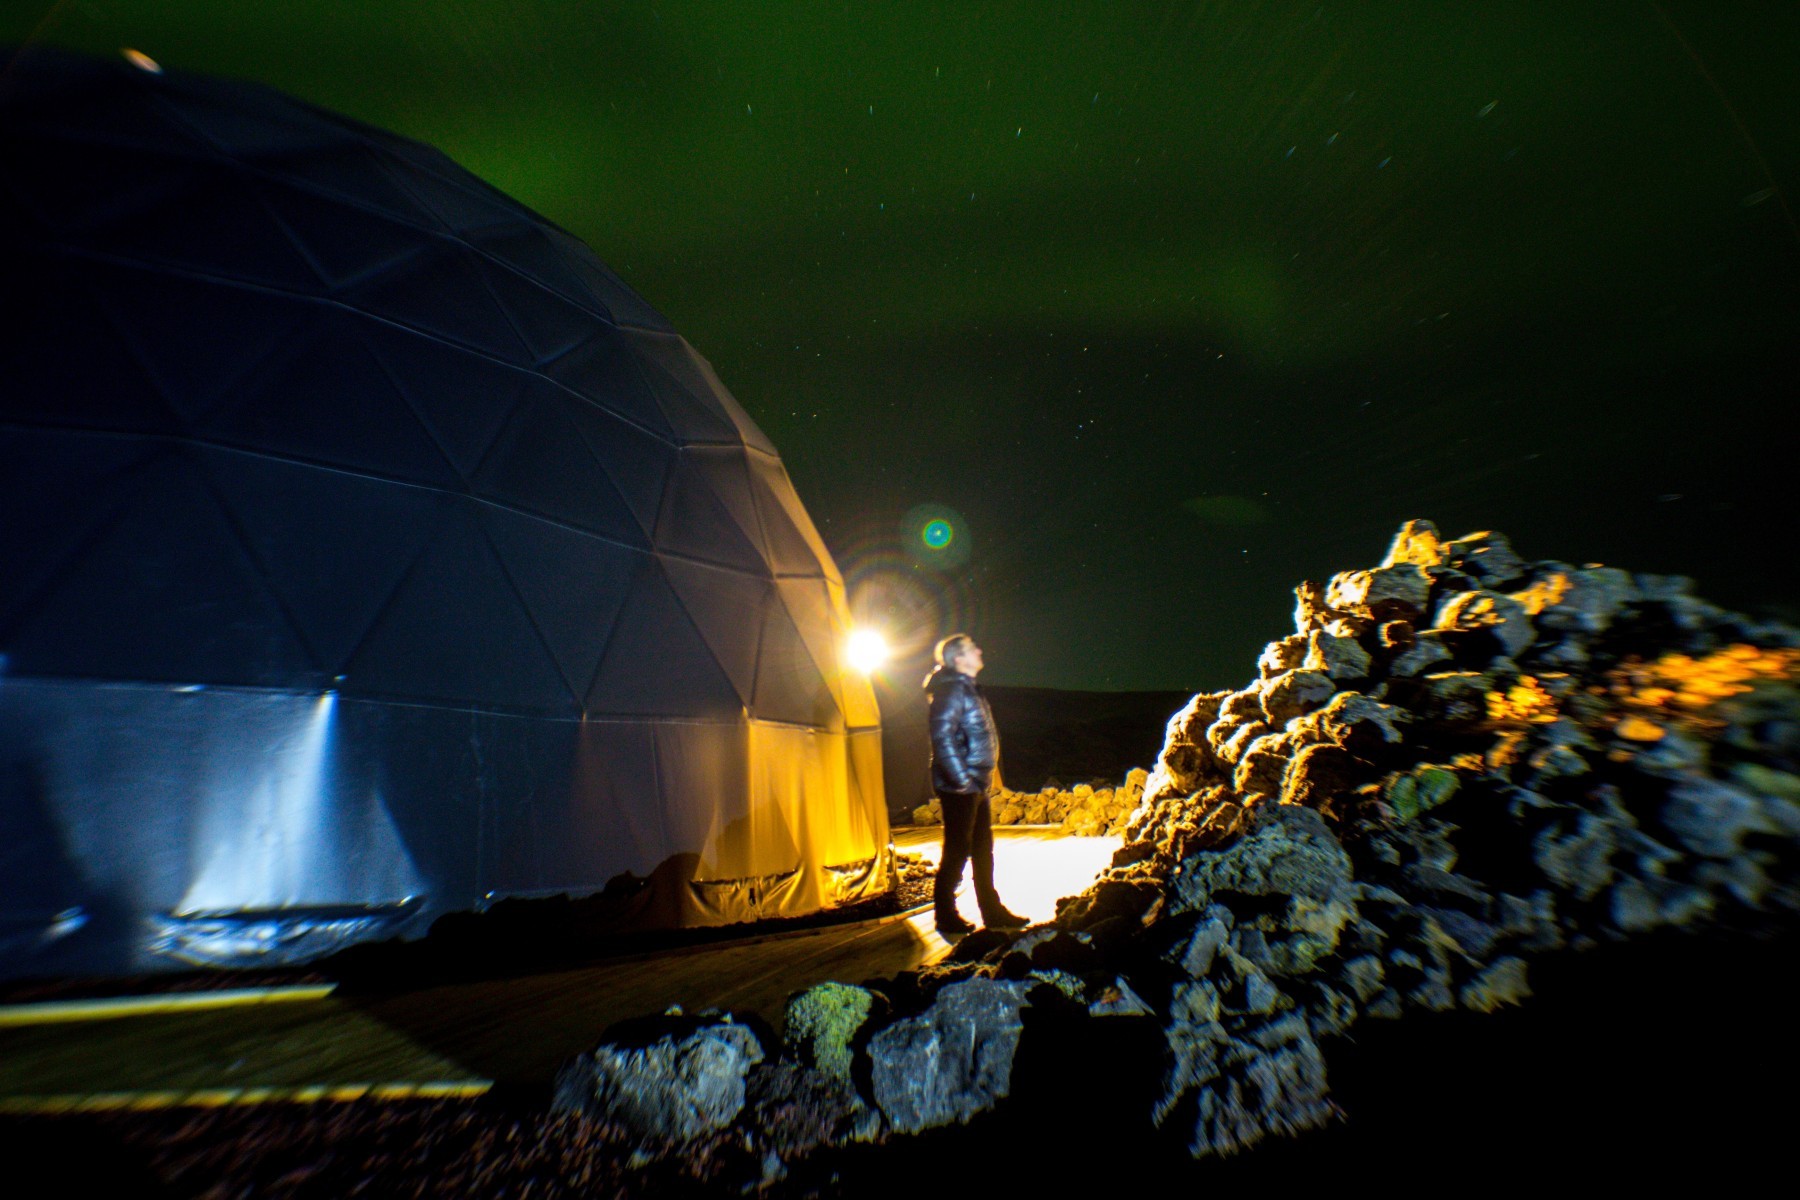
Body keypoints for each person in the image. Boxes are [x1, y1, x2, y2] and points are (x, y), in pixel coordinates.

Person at [924, 633, 1028, 935]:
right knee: (957, 849)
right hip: (961, 785)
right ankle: (945, 915)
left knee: (983, 848)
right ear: (959, 659)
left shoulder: (966, 689)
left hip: (973, 783)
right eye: (972, 649)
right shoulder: (951, 692)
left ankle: (992, 912)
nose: (979, 650)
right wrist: (963, 780)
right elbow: (942, 739)